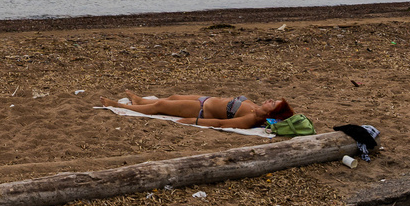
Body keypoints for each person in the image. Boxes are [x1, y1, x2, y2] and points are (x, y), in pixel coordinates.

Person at [104, 93, 293, 128]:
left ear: (270, 113)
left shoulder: (249, 120)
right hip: (205, 99)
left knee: (160, 107)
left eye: (273, 103)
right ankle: (140, 100)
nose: (269, 100)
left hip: (201, 110)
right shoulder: (255, 108)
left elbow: (220, 123)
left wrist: (193, 122)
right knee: (173, 98)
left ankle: (120, 106)